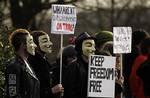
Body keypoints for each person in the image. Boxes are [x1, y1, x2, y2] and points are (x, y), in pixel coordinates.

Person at [28, 31, 64, 98]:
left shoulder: (44, 61)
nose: (50, 43)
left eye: (49, 41)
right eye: (45, 41)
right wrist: (51, 91)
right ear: (35, 45)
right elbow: (31, 89)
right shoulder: (32, 63)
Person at [5, 29, 39, 98]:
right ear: (23, 45)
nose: (35, 46)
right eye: (31, 42)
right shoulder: (14, 66)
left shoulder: (28, 65)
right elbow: (13, 95)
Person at [123, 29, 149, 98]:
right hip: (135, 91)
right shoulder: (138, 56)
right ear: (142, 41)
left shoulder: (129, 51)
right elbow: (134, 77)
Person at [75, 32, 96, 98]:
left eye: (94, 46)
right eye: (89, 45)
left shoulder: (96, 67)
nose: (94, 49)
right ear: (80, 48)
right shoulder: (74, 67)